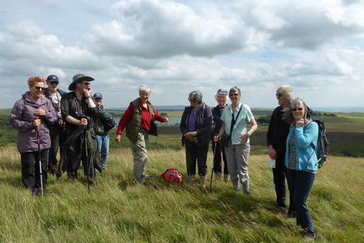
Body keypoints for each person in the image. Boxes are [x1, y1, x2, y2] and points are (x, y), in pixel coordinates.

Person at [10, 76, 57, 196]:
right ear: (30, 87)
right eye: (37, 88)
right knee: (29, 168)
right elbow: (14, 122)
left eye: (42, 88)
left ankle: (42, 188)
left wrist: (45, 113)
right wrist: (31, 124)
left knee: (43, 167)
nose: (40, 90)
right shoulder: (21, 103)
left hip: (44, 141)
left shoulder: (46, 102)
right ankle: (30, 192)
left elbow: (54, 118)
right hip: (28, 142)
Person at [115, 85, 168, 184]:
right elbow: (124, 119)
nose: (145, 96)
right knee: (143, 156)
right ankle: (138, 179)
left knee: (138, 156)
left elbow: (155, 115)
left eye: (147, 94)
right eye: (143, 94)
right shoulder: (133, 105)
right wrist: (119, 133)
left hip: (145, 133)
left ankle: (139, 176)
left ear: (149, 95)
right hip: (136, 133)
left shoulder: (149, 106)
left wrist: (163, 119)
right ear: (139, 94)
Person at [284, 98, 319, 240]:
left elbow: (303, 143)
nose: (297, 111)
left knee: (300, 200)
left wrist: (299, 128)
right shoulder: (292, 126)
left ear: (305, 109)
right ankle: (299, 223)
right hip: (291, 168)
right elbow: (290, 147)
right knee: (294, 197)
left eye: (300, 108)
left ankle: (310, 231)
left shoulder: (312, 126)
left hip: (306, 169)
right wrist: (286, 164)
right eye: (294, 109)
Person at [214, 86, 258, 193]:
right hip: (229, 143)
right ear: (229, 96)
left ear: (240, 95)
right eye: (232, 95)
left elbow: (254, 125)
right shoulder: (226, 109)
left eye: (236, 94)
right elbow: (224, 125)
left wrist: (248, 134)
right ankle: (236, 189)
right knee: (231, 168)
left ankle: (246, 191)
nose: (234, 96)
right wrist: (219, 135)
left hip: (241, 143)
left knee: (242, 169)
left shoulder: (245, 108)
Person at [61, 74, 99, 182]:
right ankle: (72, 180)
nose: (89, 86)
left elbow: (95, 112)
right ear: (78, 84)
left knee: (90, 155)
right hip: (72, 133)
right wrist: (79, 122)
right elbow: (65, 115)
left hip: (88, 133)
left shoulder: (88, 98)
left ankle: (90, 179)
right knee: (73, 156)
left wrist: (88, 98)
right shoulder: (67, 97)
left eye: (89, 84)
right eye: (86, 83)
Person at [267, 85, 294, 211]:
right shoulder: (276, 111)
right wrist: (270, 147)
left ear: (286, 96)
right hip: (275, 153)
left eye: (279, 95)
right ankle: (280, 203)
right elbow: (270, 131)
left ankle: (294, 207)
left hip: (291, 153)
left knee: (292, 181)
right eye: (276, 95)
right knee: (278, 179)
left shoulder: (297, 110)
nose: (276, 98)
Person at [180, 91, 212, 188]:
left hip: (202, 141)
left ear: (199, 100)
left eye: (193, 101)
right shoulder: (187, 110)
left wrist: (195, 133)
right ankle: (191, 184)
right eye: (190, 101)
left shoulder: (206, 109)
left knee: (202, 163)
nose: (191, 103)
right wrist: (186, 133)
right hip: (189, 140)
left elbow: (208, 127)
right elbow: (182, 125)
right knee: (190, 162)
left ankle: (203, 185)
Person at [44, 74, 66, 177]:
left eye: (55, 82)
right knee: (53, 149)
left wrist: (64, 118)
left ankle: (60, 169)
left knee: (64, 148)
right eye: (51, 82)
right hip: (51, 125)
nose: (53, 84)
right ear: (47, 82)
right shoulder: (43, 94)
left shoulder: (62, 93)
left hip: (64, 124)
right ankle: (52, 168)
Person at [211, 89, 229, 182]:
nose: (221, 100)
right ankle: (217, 179)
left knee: (227, 159)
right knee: (216, 158)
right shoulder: (213, 110)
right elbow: (212, 124)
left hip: (228, 138)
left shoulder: (230, 109)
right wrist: (214, 135)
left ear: (226, 99)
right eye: (219, 98)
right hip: (216, 138)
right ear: (217, 99)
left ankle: (226, 179)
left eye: (223, 98)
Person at [93, 92, 110, 170]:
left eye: (99, 99)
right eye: (96, 99)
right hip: (97, 133)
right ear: (93, 100)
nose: (98, 101)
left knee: (105, 151)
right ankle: (96, 167)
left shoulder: (103, 108)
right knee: (97, 151)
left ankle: (103, 166)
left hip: (105, 133)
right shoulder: (92, 109)